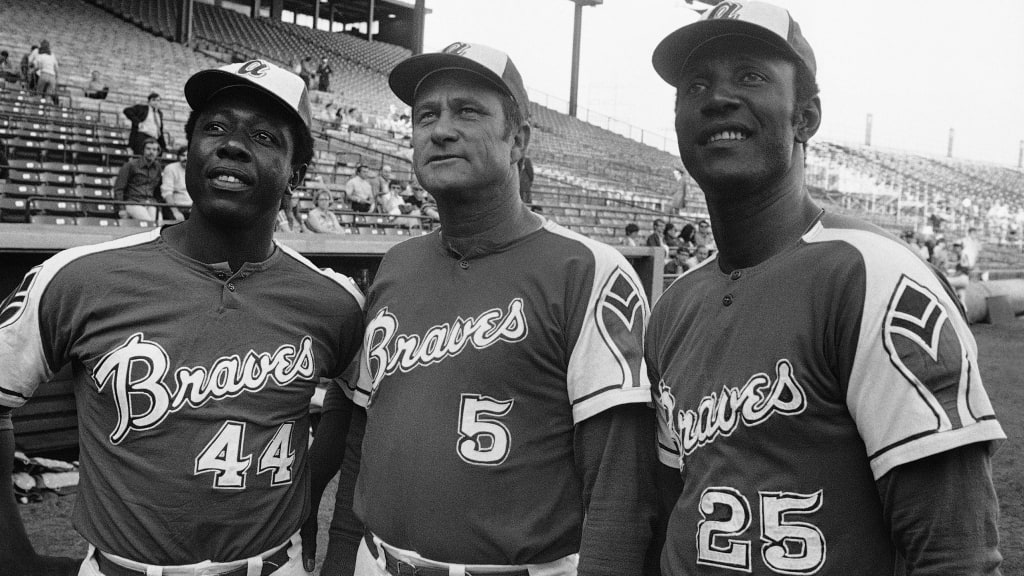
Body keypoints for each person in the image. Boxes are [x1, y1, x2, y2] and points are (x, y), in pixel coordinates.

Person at [648, 2, 1005, 575]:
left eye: (751, 76)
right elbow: (671, 511)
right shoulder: (673, 305)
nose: (716, 98)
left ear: (806, 117)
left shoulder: (873, 275)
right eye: (695, 85)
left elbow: (954, 552)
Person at [0, 58, 365, 576]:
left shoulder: (333, 300)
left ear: (296, 176)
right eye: (214, 128)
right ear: (187, 152)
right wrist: (10, 553)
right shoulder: (79, 276)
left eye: (263, 136)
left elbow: (360, 408)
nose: (232, 144)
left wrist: (315, 494)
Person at [310, 41, 657, 576]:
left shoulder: (588, 268)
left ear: (517, 139)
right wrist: (339, 557)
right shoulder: (397, 266)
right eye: (427, 115)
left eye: (468, 111)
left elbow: (619, 487)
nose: (441, 129)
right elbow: (363, 437)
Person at [113, 137, 163, 222]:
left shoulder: (158, 167)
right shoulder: (131, 165)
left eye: (154, 150)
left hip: (151, 202)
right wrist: (121, 209)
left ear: (158, 152)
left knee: (159, 224)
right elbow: (119, 188)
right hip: (133, 202)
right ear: (143, 150)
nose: (151, 152)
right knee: (149, 223)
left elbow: (157, 190)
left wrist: (160, 207)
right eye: (148, 149)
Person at [159, 145, 191, 220]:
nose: (185, 158)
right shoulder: (170, 168)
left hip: (191, 208)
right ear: (178, 157)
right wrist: (175, 211)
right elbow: (167, 193)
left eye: (188, 156)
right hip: (174, 207)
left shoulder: (196, 170)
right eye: (183, 155)